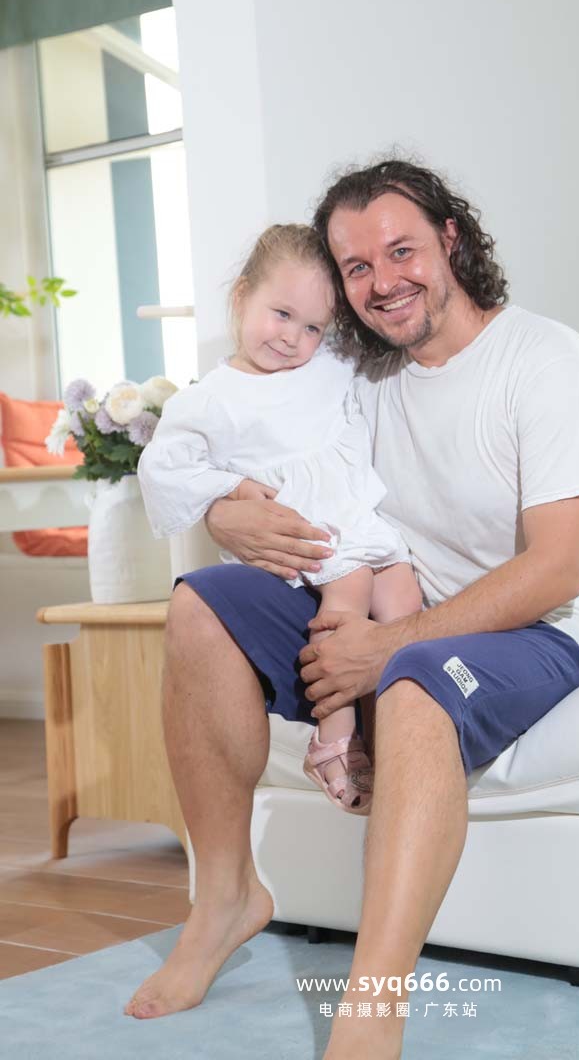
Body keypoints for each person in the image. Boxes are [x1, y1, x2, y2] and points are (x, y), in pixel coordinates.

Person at [124, 160, 579, 1060]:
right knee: (202, 603)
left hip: (541, 632)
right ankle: (226, 899)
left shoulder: (547, 361)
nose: (383, 281)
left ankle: (370, 1012)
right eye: (357, 266)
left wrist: (386, 645)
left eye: (402, 251)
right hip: (390, 609)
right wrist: (222, 510)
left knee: (415, 679)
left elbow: (558, 571)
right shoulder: (353, 370)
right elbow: (258, 433)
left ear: (451, 240)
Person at [137, 223, 422, 814]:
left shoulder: (329, 366)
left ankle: (396, 731)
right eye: (282, 314)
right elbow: (162, 470)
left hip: (358, 521)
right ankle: (333, 735)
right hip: (307, 534)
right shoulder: (210, 400)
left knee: (403, 596)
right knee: (350, 592)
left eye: (313, 326)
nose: (293, 337)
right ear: (242, 296)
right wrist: (232, 489)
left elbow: (387, 342)